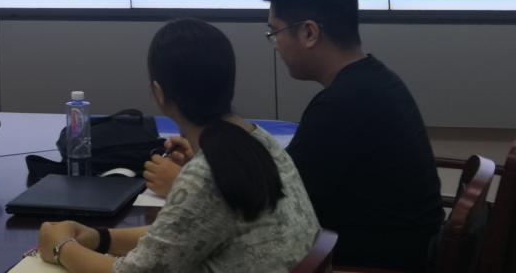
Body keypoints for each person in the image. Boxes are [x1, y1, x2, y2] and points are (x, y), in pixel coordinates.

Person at [38, 18, 318, 272]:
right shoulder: (260, 139)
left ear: (159, 93)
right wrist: (100, 238)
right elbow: (177, 237)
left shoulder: (205, 177)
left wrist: (62, 248)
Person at [259, 0, 442, 270]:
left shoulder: (340, 106)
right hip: (406, 251)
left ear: (309, 33)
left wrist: (191, 180)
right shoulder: (375, 80)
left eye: (275, 32)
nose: (275, 45)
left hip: (369, 265)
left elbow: (273, 200)